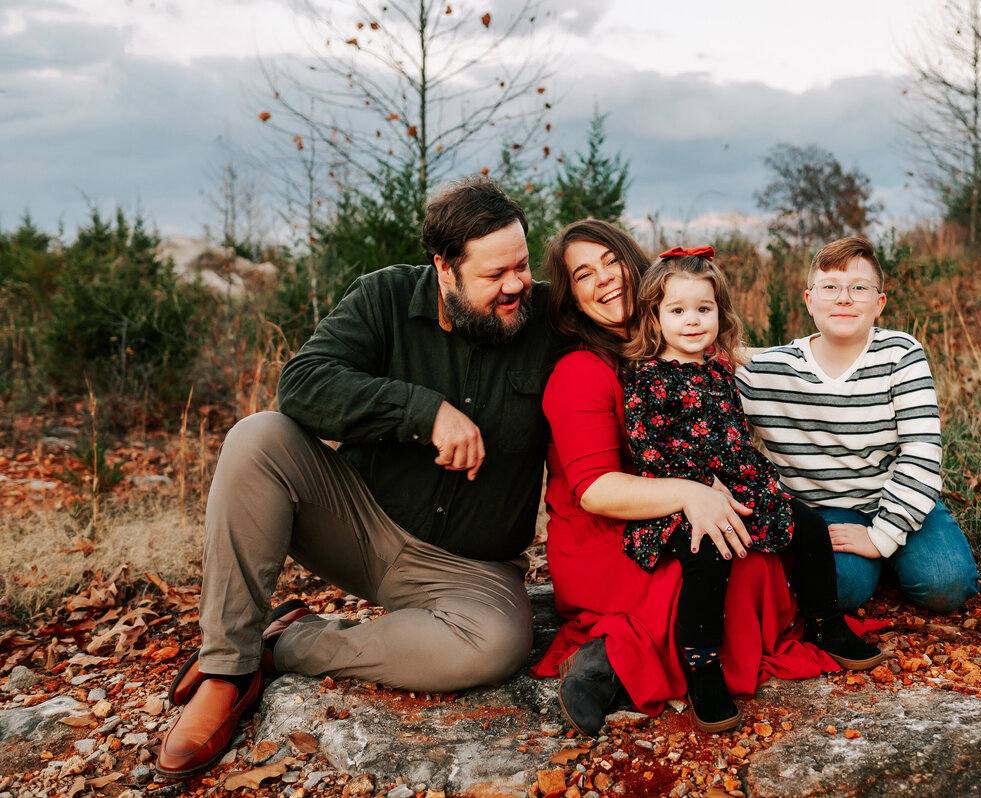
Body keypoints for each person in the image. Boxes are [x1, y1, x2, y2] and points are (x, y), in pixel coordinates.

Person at [156, 177, 561, 779]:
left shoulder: (550, 317)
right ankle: (226, 670)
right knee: (257, 438)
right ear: (445, 270)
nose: (515, 285)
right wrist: (423, 413)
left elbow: (640, 333)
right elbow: (303, 384)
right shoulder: (385, 298)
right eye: (495, 274)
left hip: (471, 572)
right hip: (359, 524)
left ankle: (282, 647)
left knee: (498, 646)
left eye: (522, 265)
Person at [530, 220, 888, 737]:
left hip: (677, 497)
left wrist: (843, 353)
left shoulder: (685, 346)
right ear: (571, 297)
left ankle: (815, 627)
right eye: (584, 274)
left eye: (613, 262)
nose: (605, 279)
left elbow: (750, 370)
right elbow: (595, 491)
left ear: (640, 270)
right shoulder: (583, 370)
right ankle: (608, 665)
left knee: (752, 551)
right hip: (605, 530)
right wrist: (694, 493)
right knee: (714, 560)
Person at [619, 247, 883, 733]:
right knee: (707, 554)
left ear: (720, 314)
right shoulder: (647, 379)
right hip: (681, 500)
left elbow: (738, 434)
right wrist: (701, 486)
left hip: (740, 487)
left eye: (704, 309)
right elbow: (649, 451)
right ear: (655, 317)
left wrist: (749, 482)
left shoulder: (721, 370)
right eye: (677, 311)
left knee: (807, 524)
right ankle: (702, 667)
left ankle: (826, 624)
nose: (693, 321)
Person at [737, 235, 979, 615]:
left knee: (946, 586)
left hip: (896, 496)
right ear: (809, 300)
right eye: (830, 287)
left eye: (859, 288)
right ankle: (873, 566)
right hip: (826, 509)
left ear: (879, 303)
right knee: (841, 591)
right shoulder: (770, 371)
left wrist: (880, 536)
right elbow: (706, 357)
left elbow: (921, 454)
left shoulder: (902, 354)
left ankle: (892, 552)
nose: (844, 298)